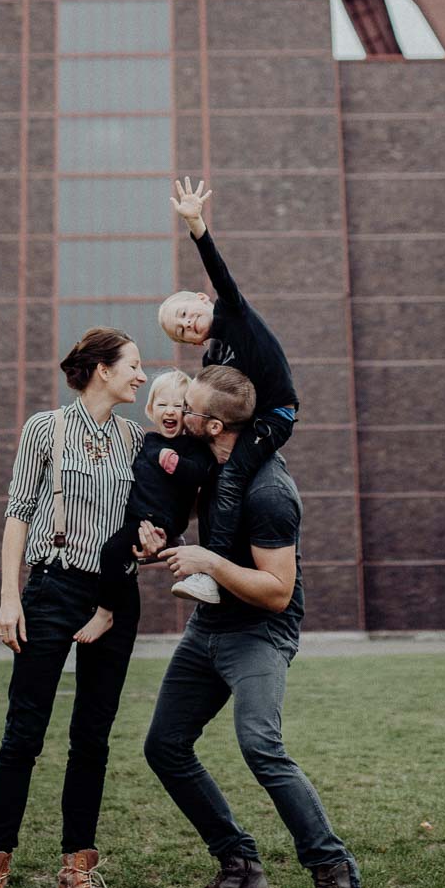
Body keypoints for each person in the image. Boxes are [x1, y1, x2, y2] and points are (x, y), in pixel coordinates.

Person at [145, 365, 371, 888]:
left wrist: (209, 562)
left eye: (189, 409)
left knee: (260, 745)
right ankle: (240, 869)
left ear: (214, 423)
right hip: (210, 627)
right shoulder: (216, 467)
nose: (180, 414)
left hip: (260, 632)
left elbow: (278, 592)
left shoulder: (270, 489)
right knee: (165, 746)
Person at [0, 328, 148, 888]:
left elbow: (147, 522)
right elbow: (18, 512)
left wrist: (151, 543)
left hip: (114, 598)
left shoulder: (134, 439)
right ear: (101, 370)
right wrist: (9, 596)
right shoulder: (44, 428)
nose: (141, 377)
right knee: (24, 736)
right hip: (51, 588)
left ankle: (77, 878)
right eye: (133, 366)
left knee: (92, 740)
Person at [158, 177, 298, 604]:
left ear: (203, 300)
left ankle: (211, 569)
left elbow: (219, 270)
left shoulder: (234, 313)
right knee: (206, 467)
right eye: (181, 331)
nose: (187, 325)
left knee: (234, 472)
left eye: (186, 314)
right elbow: (206, 399)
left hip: (274, 416)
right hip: (241, 418)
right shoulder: (212, 357)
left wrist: (195, 223)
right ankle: (164, 529)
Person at [74, 368, 217, 644]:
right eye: (163, 404)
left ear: (188, 412)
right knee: (115, 550)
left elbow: (201, 475)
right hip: (136, 517)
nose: (170, 410)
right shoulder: (147, 441)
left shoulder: (192, 448)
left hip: (159, 521)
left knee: (112, 550)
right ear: (151, 409)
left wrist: (175, 463)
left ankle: (105, 613)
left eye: (179, 405)